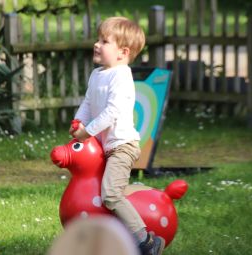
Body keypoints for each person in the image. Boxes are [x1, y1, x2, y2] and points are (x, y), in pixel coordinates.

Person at [69, 16, 165, 255]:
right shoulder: (97, 75)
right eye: (97, 39)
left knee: (111, 195)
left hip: (123, 146)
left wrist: (87, 131)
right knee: (102, 193)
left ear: (122, 52)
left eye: (104, 41)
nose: (96, 44)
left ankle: (147, 242)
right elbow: (89, 102)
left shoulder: (121, 76)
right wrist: (78, 122)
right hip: (106, 146)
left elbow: (112, 112)